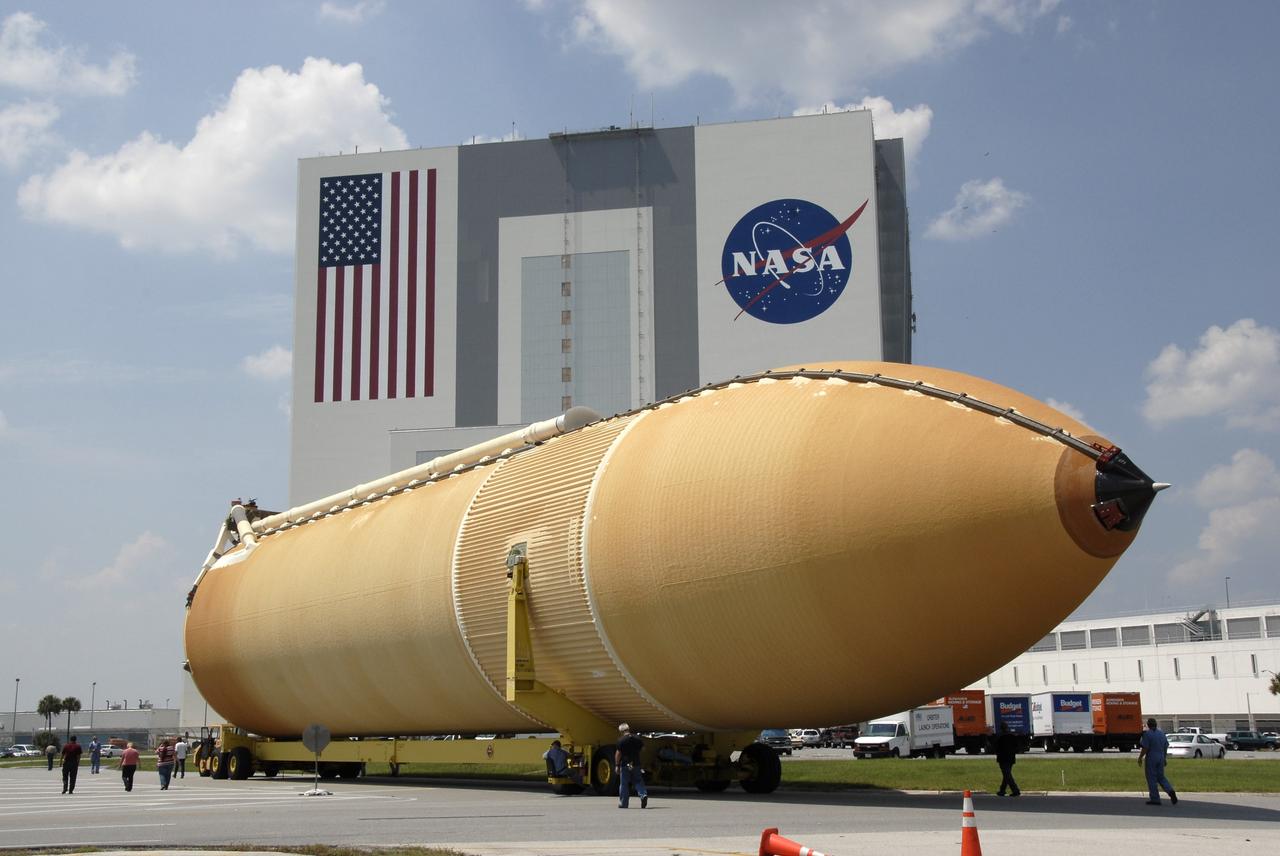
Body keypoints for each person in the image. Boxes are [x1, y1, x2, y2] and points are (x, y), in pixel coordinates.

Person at [1138, 718, 1177, 806]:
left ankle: (1155, 798)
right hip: (1160, 756)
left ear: (1148, 725)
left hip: (1152, 756)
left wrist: (1140, 757)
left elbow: (1145, 747)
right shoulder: (1161, 733)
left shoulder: (1148, 734)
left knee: (1151, 778)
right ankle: (1170, 791)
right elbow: (1166, 745)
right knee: (1161, 777)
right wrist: (1164, 757)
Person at [615, 723, 648, 809]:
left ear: (621, 731)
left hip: (626, 764)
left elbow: (618, 754)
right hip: (635, 763)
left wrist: (617, 765)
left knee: (624, 784)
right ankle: (643, 795)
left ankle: (624, 803)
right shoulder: (637, 738)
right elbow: (643, 749)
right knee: (638, 780)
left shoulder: (621, 740)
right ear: (628, 729)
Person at [993, 722, 1020, 797]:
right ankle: (1002, 790)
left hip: (1003, 758)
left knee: (1007, 775)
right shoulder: (1012, 736)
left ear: (1001, 728)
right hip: (1011, 757)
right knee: (1006, 774)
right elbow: (1017, 747)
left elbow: (996, 747)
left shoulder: (1000, 737)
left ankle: (1015, 790)